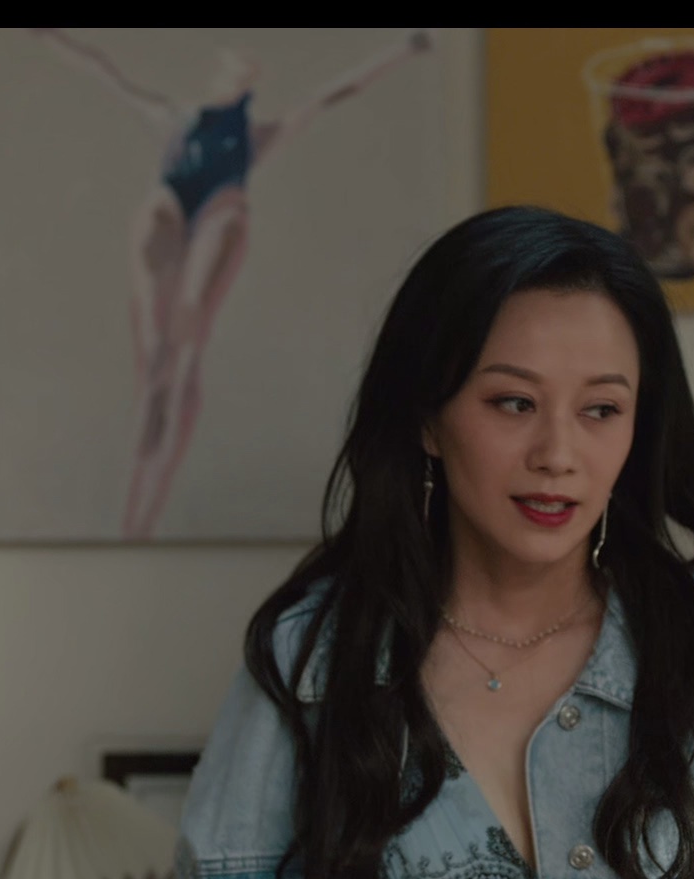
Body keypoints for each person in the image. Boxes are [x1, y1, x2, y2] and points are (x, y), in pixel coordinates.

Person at [169, 206, 694, 879]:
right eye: (514, 403)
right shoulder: (311, 672)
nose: (558, 455)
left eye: (601, 410)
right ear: (428, 420)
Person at [30, 28, 432, 539]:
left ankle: (146, 500)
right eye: (233, 65)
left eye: (247, 69)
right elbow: (103, 70)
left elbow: (330, 95)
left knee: (185, 348)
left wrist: (402, 51)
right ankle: (137, 499)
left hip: (218, 212)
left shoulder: (256, 137)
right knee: (155, 361)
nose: (241, 71)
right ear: (219, 74)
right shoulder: (177, 120)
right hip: (171, 206)